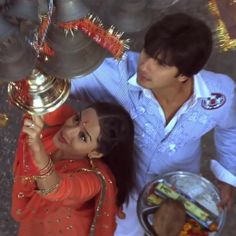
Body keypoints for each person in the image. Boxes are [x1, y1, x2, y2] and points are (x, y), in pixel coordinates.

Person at [70, 13, 236, 235]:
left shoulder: (219, 94)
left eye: (161, 64)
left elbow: (231, 128)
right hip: (124, 185)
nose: (145, 66)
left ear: (184, 76)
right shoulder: (117, 74)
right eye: (147, 52)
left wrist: (227, 177)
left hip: (181, 188)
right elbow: (62, 76)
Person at [11, 102, 135, 236]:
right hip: (33, 223)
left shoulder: (93, 181)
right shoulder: (63, 121)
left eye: (83, 137)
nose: (68, 131)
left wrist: (37, 149)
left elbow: (56, 188)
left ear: (95, 153)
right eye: (76, 119)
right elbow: (37, 97)